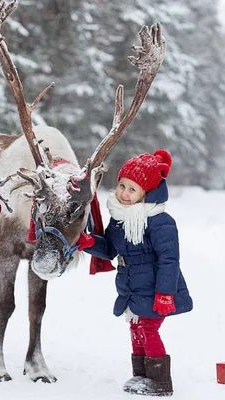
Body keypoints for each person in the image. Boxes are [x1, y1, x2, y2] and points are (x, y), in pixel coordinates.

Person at [76, 150, 193, 397]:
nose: (124, 194)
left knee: (149, 329)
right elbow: (109, 249)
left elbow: (169, 260)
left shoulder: (160, 221)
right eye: (122, 186)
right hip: (131, 287)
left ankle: (160, 383)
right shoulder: (118, 218)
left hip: (156, 288)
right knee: (136, 329)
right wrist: (89, 242)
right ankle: (141, 376)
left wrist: (165, 293)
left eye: (132, 189)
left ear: (146, 193)